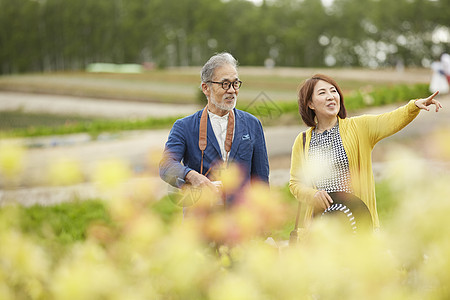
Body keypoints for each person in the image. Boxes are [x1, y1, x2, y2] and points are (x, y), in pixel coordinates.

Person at [289, 74, 442, 230]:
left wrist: (414, 105)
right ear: (310, 104)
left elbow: (389, 120)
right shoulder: (302, 141)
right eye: (322, 93)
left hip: (357, 217)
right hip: (322, 224)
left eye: (333, 91)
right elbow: (295, 183)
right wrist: (312, 194)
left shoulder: (359, 127)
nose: (330, 97)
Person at [159, 52, 269, 207]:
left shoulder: (252, 124)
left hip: (242, 222)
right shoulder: (184, 126)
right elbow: (165, 165)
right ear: (206, 88)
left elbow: (261, 180)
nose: (231, 90)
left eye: (235, 83)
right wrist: (192, 176)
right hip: (200, 218)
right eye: (225, 84)